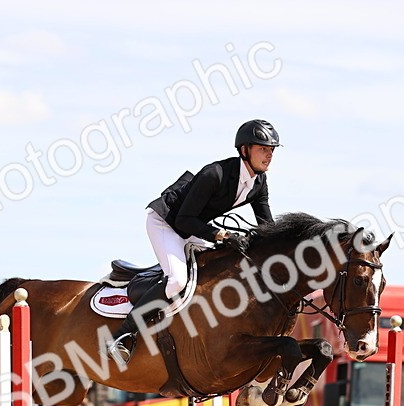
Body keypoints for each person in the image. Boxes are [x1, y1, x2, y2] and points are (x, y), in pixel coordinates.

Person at [106, 119, 280, 367]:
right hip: (166, 223)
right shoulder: (215, 174)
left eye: (271, 150)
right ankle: (121, 336)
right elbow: (183, 220)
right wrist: (222, 235)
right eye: (263, 149)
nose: (269, 155)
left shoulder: (259, 183)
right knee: (177, 280)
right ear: (244, 150)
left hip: (193, 226)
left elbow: (267, 227)